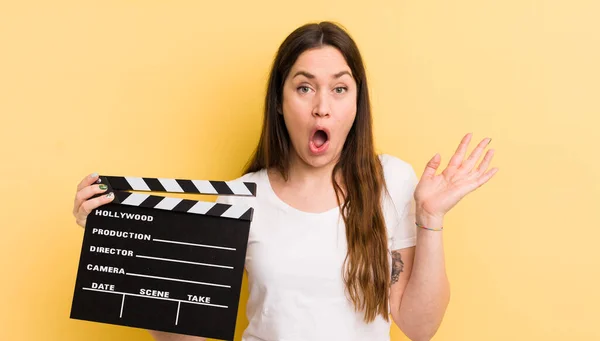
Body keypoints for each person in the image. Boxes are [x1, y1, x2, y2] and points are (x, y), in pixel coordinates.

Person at [72, 21, 497, 341]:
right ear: (279, 101)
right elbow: (188, 335)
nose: (322, 109)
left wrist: (430, 217)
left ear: (356, 103)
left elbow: (419, 326)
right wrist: (121, 239)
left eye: (339, 89)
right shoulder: (242, 199)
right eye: (305, 88)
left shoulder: (392, 181)